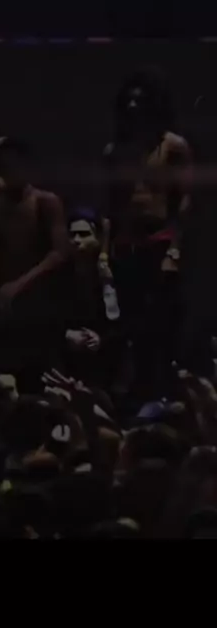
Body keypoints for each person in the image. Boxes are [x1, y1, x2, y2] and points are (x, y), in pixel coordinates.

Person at [100, 66, 192, 401]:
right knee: (130, 323)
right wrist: (104, 253)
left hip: (159, 240)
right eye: (129, 100)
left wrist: (174, 250)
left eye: (140, 100)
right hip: (127, 244)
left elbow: (184, 200)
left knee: (162, 322)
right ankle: (138, 394)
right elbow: (110, 206)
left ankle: (164, 393)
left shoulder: (172, 146)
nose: (134, 106)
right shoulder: (115, 151)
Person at [0, 138, 68, 390]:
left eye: (11, 166)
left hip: (37, 304)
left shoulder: (44, 201)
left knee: (39, 379)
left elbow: (60, 253)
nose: (7, 172)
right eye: (1, 167)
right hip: (3, 304)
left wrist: (19, 285)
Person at [63, 207, 123, 391]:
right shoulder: (59, 274)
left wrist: (101, 339)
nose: (76, 240)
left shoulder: (117, 272)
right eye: (72, 235)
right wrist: (66, 334)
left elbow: (123, 321)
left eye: (84, 234)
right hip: (67, 360)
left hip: (106, 364)